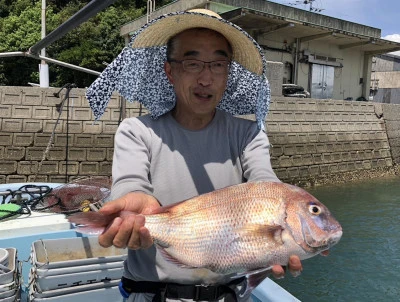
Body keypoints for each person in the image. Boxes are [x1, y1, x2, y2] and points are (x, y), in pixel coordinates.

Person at [86, 9, 303, 302]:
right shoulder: (136, 130)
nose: (206, 78)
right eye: (192, 63)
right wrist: (132, 205)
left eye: (217, 64)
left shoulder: (248, 134)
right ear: (170, 71)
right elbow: (130, 183)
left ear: (229, 73)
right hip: (152, 294)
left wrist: (287, 218)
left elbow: (266, 182)